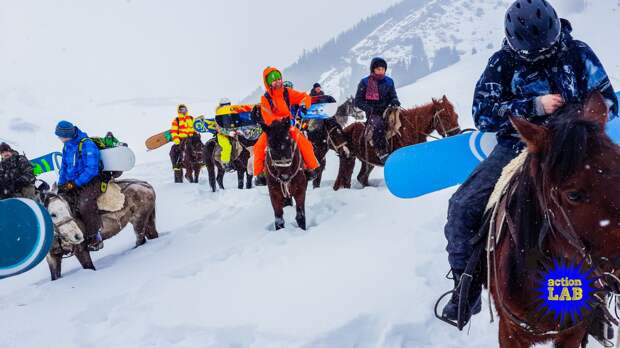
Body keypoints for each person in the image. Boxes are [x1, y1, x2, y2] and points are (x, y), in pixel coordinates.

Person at [441, 0, 618, 326]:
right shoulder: (502, 63)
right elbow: (483, 113)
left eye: (545, 47)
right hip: (519, 145)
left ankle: (601, 293)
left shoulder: (578, 53)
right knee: (462, 207)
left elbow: (607, 99)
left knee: (608, 200)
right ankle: (465, 290)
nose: (539, 53)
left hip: (578, 147)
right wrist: (534, 105)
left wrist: (577, 124)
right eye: (530, 50)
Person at [254, 67, 319, 180]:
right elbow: (267, 116)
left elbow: (304, 96)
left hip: (288, 127)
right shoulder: (265, 98)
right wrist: (279, 123)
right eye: (274, 80)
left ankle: (310, 167)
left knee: (304, 143)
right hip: (273, 129)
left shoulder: (287, 92)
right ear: (268, 83)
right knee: (259, 146)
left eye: (279, 79)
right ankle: (260, 174)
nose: (278, 81)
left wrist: (304, 104)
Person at [55, 121, 104, 251]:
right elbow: (64, 168)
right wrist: (61, 185)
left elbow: (91, 169)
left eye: (61, 136)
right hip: (73, 183)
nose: (59, 139)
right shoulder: (66, 146)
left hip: (92, 181)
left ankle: (95, 237)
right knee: (62, 204)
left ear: (67, 134)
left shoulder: (87, 144)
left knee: (84, 205)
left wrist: (74, 183)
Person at [354, 57, 401, 163]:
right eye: (378, 69)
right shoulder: (365, 82)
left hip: (388, 111)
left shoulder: (389, 81)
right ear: (373, 69)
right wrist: (369, 108)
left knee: (403, 119)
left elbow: (393, 96)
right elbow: (357, 101)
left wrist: (395, 101)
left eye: (383, 69)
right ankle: (381, 152)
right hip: (373, 114)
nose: (381, 71)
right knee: (378, 124)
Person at [169, 104, 197, 183]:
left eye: (184, 109)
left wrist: (196, 134)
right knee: (174, 151)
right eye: (181, 109)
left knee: (201, 147)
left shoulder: (191, 118)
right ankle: (177, 164)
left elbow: (195, 128)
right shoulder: (176, 120)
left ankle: (202, 161)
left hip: (192, 138)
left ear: (186, 109)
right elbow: (174, 131)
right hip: (182, 139)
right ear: (179, 111)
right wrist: (177, 140)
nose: (183, 110)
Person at [215, 98, 236, 172]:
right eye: (224, 105)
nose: (226, 107)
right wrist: (228, 133)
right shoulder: (218, 115)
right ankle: (225, 163)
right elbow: (219, 128)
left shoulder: (232, 113)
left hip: (234, 133)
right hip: (222, 135)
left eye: (228, 105)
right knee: (227, 146)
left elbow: (237, 122)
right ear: (221, 106)